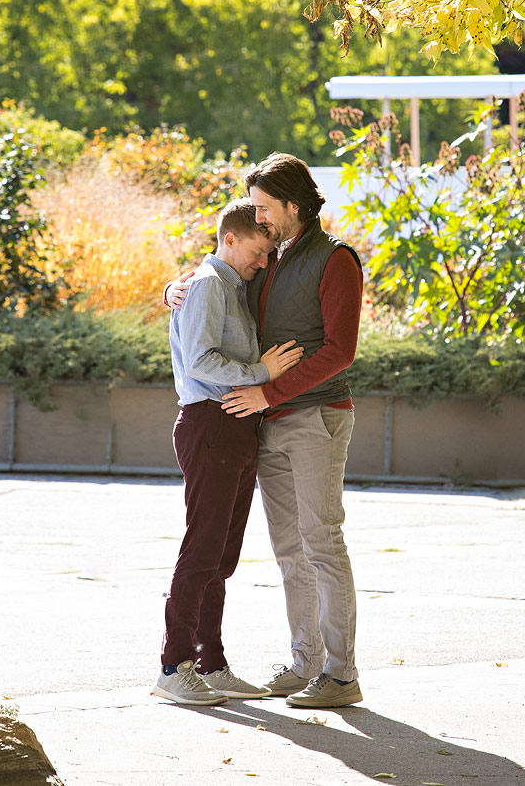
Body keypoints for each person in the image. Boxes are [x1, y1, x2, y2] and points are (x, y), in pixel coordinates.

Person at [166, 154, 364, 708]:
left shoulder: (335, 260)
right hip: (263, 421)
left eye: (264, 206)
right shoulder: (267, 258)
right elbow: (215, 286)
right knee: (288, 549)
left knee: (321, 540)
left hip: (315, 415)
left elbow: (340, 350)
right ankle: (305, 662)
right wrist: (173, 291)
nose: (258, 217)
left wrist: (269, 391)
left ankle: (341, 673)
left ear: (292, 206)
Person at [154, 198, 303, 706]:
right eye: (258, 252)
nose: (263, 263)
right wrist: (264, 373)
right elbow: (199, 361)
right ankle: (174, 666)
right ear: (230, 240)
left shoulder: (231, 285)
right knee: (202, 551)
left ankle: (211, 663)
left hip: (236, 428)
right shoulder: (208, 285)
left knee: (222, 557)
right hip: (210, 425)